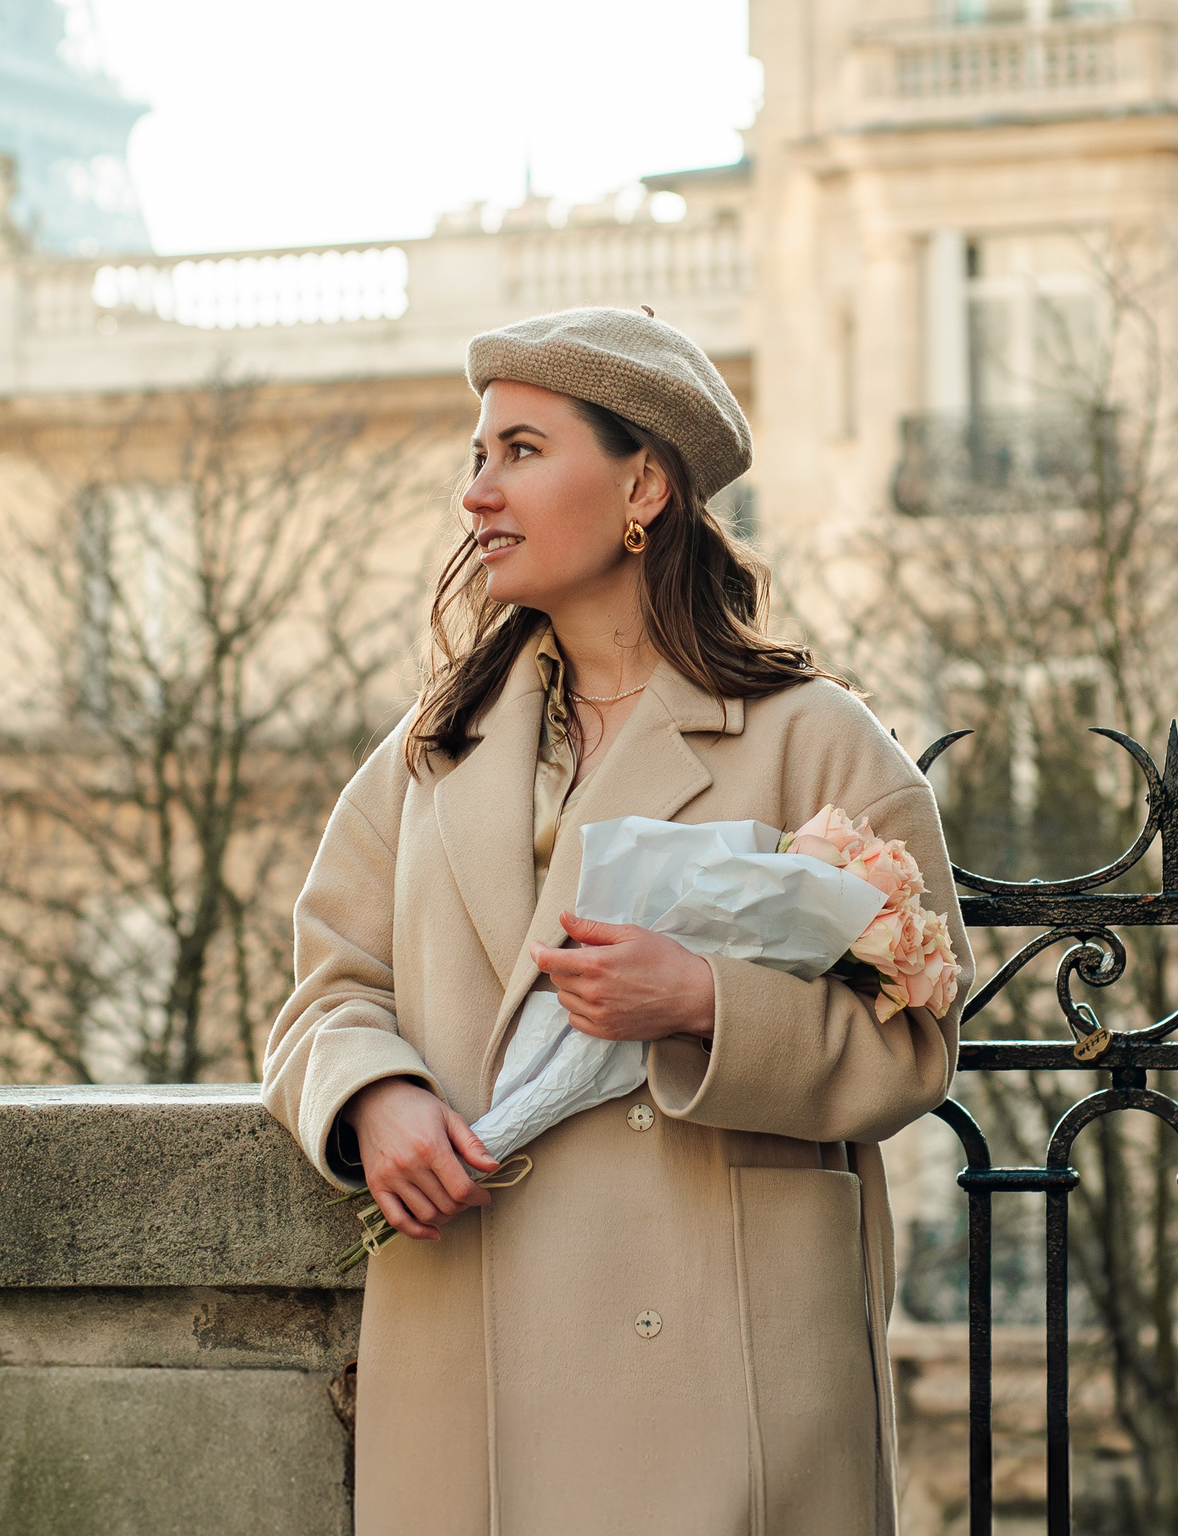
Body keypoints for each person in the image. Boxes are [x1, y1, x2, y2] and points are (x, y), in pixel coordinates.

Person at [262, 305, 969, 1536]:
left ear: (643, 482)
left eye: (521, 452)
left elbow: (916, 1044)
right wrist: (375, 1096)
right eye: (476, 456)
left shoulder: (816, 740)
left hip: (716, 1365)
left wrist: (703, 1004)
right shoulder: (429, 752)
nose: (476, 494)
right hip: (465, 1329)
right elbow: (327, 991)